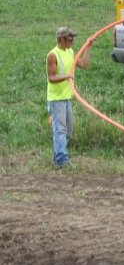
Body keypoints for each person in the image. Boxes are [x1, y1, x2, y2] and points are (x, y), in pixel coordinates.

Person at [47, 26, 93, 168]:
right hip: (56, 99)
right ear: (61, 39)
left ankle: (57, 157)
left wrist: (88, 46)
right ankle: (62, 161)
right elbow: (51, 78)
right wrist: (66, 77)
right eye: (70, 39)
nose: (72, 41)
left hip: (67, 97)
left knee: (67, 131)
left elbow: (84, 65)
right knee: (60, 129)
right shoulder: (53, 55)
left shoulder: (70, 52)